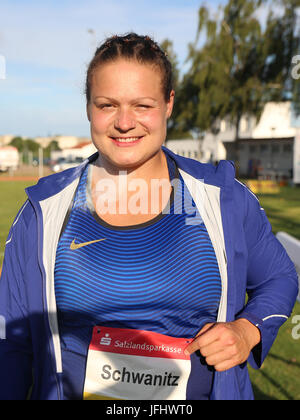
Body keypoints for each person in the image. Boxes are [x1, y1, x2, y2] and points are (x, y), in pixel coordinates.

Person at [0, 33, 298, 401]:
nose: (125, 122)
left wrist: (247, 330)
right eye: (107, 105)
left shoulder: (223, 199)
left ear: (169, 103)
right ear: (88, 107)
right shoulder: (42, 211)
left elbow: (280, 277)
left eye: (142, 105)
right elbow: (10, 344)